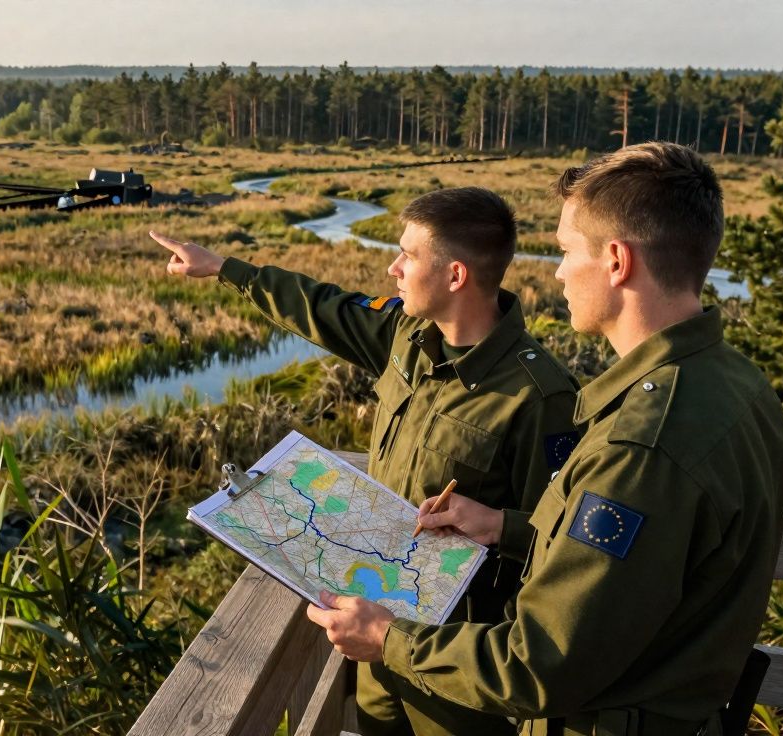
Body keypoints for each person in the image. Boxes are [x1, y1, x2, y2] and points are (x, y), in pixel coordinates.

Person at [305, 142, 783, 736]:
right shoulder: (736, 383)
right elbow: (646, 567)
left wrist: (387, 639)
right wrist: (504, 527)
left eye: (566, 251)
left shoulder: (640, 448)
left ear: (617, 261)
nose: (557, 270)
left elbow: (536, 666)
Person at [150, 186, 580, 736]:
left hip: (452, 666)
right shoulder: (406, 334)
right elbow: (322, 306)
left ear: (455, 276)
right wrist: (225, 269)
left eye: (408, 255)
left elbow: (562, 544)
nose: (391, 267)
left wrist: (500, 527)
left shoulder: (541, 397)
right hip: (375, 648)